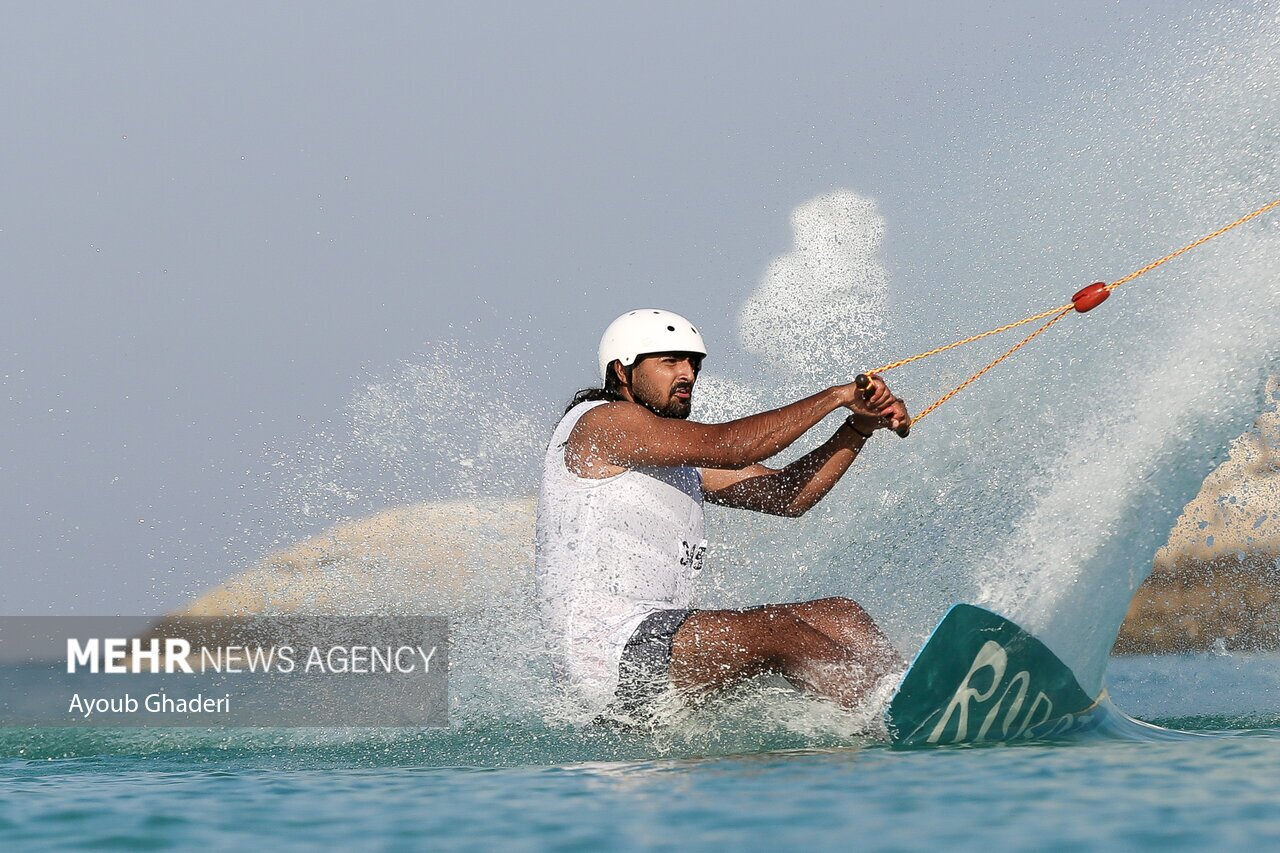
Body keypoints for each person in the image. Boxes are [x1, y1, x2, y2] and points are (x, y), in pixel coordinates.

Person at [534, 308, 910, 724]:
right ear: (623, 372)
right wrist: (837, 397)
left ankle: (907, 689)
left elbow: (786, 496)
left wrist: (856, 429)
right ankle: (886, 715)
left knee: (841, 615)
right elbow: (735, 447)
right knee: (778, 630)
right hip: (609, 652)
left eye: (693, 363)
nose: (687, 374)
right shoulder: (602, 424)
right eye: (669, 361)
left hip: (661, 637)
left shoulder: (672, 456)